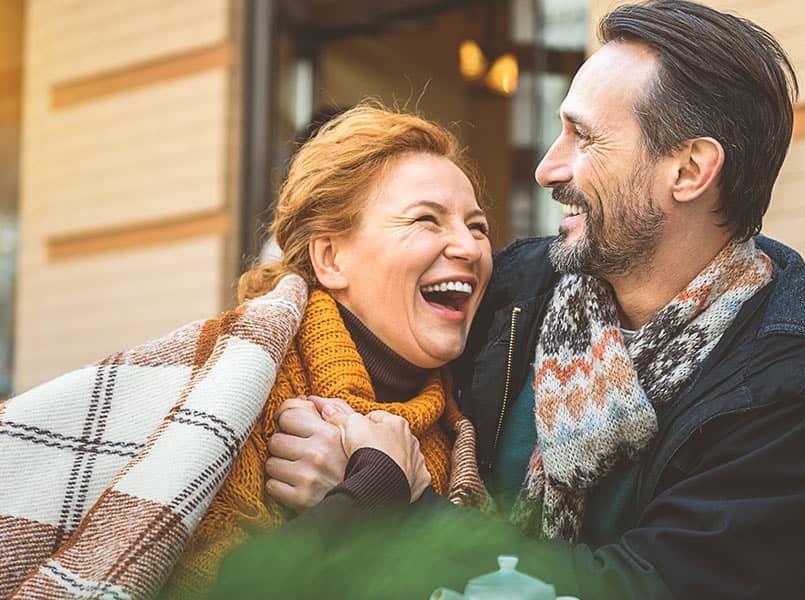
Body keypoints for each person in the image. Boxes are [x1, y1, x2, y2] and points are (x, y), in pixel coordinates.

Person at [237, 2, 805, 599]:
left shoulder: (794, 388)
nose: (547, 168)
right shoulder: (516, 290)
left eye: (583, 138)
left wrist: (390, 510)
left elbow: (638, 589)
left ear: (688, 171)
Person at [0, 104, 491, 599]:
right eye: (427, 220)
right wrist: (376, 488)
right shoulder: (232, 394)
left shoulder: (470, 421)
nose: (469, 248)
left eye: (478, 227)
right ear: (331, 258)